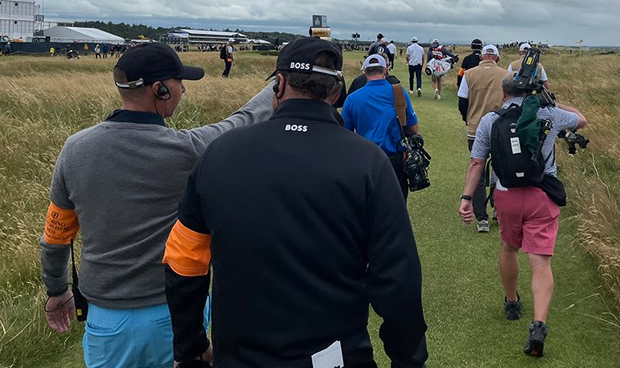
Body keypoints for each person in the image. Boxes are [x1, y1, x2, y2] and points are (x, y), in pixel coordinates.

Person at [164, 38, 428, 367]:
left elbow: (184, 262)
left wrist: (190, 347)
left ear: (280, 84)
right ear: (336, 93)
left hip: (239, 356)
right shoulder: (369, 163)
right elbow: (398, 277)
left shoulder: (219, 154)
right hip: (336, 357)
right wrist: (408, 360)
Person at [39, 42, 274, 368]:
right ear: (160, 90)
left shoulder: (74, 149)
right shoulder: (186, 150)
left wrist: (56, 290)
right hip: (172, 313)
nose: (183, 92)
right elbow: (242, 121)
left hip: (106, 320)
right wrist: (281, 84)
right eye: (180, 84)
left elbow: (55, 237)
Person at [459, 75, 586, 357]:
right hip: (542, 195)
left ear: (504, 93)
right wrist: (550, 100)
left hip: (507, 195)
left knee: (508, 247)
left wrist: (467, 198)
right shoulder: (549, 113)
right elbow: (581, 119)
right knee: (540, 262)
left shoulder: (491, 121)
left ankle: (512, 301)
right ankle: (539, 325)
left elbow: (477, 161)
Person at [342, 53, 419, 200]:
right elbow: (414, 129)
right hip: (394, 159)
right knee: (397, 205)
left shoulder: (352, 99)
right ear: (385, 69)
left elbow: (346, 136)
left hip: (364, 159)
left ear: (364, 71)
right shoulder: (399, 92)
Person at [456, 44, 507, 232]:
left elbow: (462, 102)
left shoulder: (469, 74)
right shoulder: (506, 75)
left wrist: (467, 118)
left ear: (481, 57)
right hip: (501, 129)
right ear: (497, 58)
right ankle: (498, 209)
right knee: (501, 170)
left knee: (477, 169)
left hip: (476, 128)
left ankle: (481, 218)